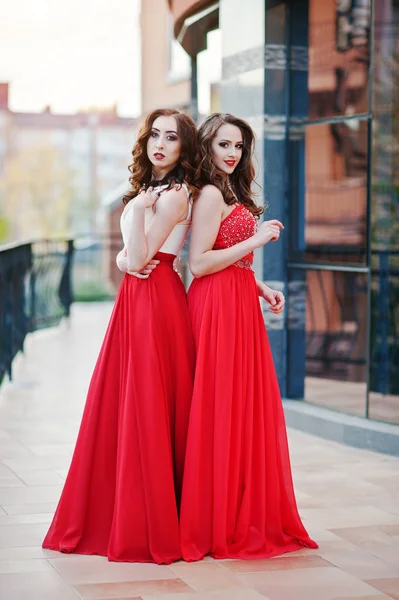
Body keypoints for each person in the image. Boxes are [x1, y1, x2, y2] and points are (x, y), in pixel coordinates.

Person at [42, 108, 199, 564]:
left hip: (156, 300)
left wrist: (132, 214)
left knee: (148, 400)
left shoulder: (173, 196)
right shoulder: (151, 193)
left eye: (171, 137)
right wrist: (127, 247)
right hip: (138, 298)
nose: (160, 144)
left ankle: (148, 518)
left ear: (184, 147)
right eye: (154, 135)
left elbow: (138, 257)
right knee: (124, 398)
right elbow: (128, 261)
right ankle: (122, 507)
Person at [180, 112, 318, 561]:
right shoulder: (206, 196)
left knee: (241, 407)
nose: (232, 153)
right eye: (223, 144)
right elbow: (199, 264)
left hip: (238, 302)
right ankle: (215, 519)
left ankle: (237, 509)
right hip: (216, 308)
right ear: (206, 147)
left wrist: (261, 287)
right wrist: (256, 241)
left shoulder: (229, 191)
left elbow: (227, 260)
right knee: (220, 407)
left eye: (239, 146)